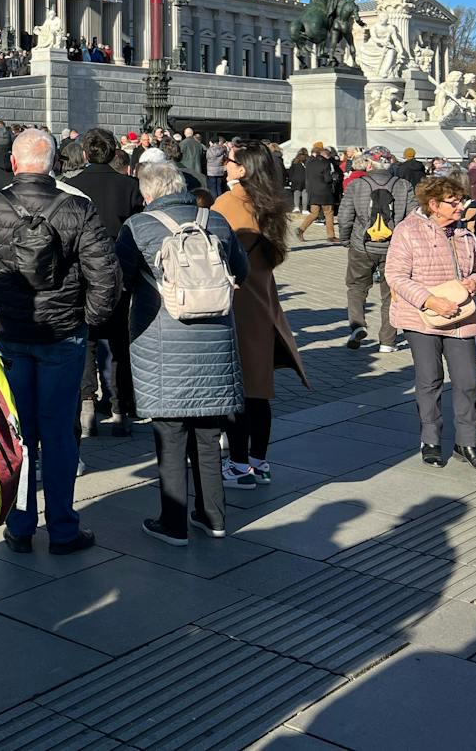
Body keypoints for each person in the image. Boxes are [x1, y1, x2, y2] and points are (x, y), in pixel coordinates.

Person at [0, 129, 117, 555]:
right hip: (63, 335)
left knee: (17, 432)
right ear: (53, 165)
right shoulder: (78, 209)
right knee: (60, 433)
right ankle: (62, 527)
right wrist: (88, 322)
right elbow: (105, 277)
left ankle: (20, 522)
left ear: (13, 163)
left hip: (9, 334)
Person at [116, 162, 248, 544]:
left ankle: (172, 522)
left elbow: (120, 280)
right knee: (208, 433)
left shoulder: (138, 227)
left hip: (162, 342)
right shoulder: (217, 221)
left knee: (170, 431)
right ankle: (214, 517)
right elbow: (242, 270)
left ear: (149, 193)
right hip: (214, 341)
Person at [213, 144, 307, 488]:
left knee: (235, 388)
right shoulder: (271, 204)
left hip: (237, 303)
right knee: (258, 388)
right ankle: (259, 462)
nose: (225, 165)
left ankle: (237, 466)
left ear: (244, 170)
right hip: (264, 303)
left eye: (231, 161)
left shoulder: (227, 203)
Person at [386, 174, 476, 470]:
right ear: (434, 205)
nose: (461, 206)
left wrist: (475, 283)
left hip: (460, 317)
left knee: (468, 379)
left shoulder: (465, 234)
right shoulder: (408, 231)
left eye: (460, 200)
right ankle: (431, 440)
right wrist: (429, 301)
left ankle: (467, 443)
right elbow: (395, 275)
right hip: (422, 318)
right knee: (429, 379)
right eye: (454, 202)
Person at [66, 128, 144, 434]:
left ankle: (87, 403)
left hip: (82, 271)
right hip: (118, 270)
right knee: (118, 340)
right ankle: (119, 407)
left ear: (85, 153)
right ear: (114, 153)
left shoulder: (71, 187)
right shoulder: (130, 186)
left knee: (86, 340)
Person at [339, 146, 416, 353]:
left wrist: (345, 239)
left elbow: (345, 215)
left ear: (369, 163)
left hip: (361, 244)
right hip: (394, 247)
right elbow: (412, 217)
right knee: (391, 293)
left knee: (356, 288)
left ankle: (357, 325)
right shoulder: (404, 185)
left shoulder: (357, 185)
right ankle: (387, 341)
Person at [295, 143, 339, 243]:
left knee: (314, 213)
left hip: (312, 191)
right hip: (324, 192)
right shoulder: (325, 163)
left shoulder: (309, 162)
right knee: (328, 213)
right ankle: (331, 236)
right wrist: (334, 178)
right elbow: (327, 179)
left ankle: (301, 229)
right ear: (322, 152)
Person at [287, 148, 309, 214]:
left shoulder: (295, 161)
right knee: (305, 194)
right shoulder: (308, 160)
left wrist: (290, 179)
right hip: (305, 179)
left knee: (296, 193)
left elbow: (291, 171)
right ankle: (304, 209)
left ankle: (296, 207)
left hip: (296, 179)